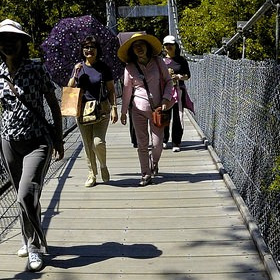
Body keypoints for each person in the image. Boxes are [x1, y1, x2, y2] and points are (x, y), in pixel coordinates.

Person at [0, 19, 65, 271]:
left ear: (22, 42)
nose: (8, 44)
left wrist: (58, 138)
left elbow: (53, 105)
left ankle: (34, 246)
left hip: (38, 141)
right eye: (3, 41)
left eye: (13, 40)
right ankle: (28, 238)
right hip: (9, 143)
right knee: (21, 195)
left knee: (27, 193)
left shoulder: (36, 70)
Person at [118, 31, 175, 186]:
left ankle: (153, 162)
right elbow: (126, 91)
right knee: (142, 144)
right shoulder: (129, 68)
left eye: (141, 45)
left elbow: (169, 81)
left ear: (147, 46)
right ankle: (145, 174)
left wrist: (166, 98)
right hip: (137, 111)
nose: (139, 48)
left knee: (157, 144)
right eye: (135, 46)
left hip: (157, 110)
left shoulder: (158, 62)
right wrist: (123, 112)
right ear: (132, 50)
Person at [66, 36, 118, 187]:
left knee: (98, 142)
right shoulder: (79, 68)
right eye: (86, 47)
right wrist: (75, 74)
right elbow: (70, 88)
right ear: (82, 50)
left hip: (101, 108)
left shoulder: (104, 68)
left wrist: (114, 108)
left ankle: (103, 165)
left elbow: (111, 90)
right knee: (88, 144)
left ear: (97, 50)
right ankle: (91, 174)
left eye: (92, 47)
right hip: (82, 110)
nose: (89, 50)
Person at [161, 34, 191, 152]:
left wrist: (178, 77)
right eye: (166, 45)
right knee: (164, 115)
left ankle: (176, 142)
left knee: (178, 117)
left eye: (171, 45)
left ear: (175, 46)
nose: (169, 47)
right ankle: (164, 140)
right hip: (165, 92)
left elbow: (187, 75)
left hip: (178, 91)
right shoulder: (160, 61)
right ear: (163, 46)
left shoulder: (181, 60)